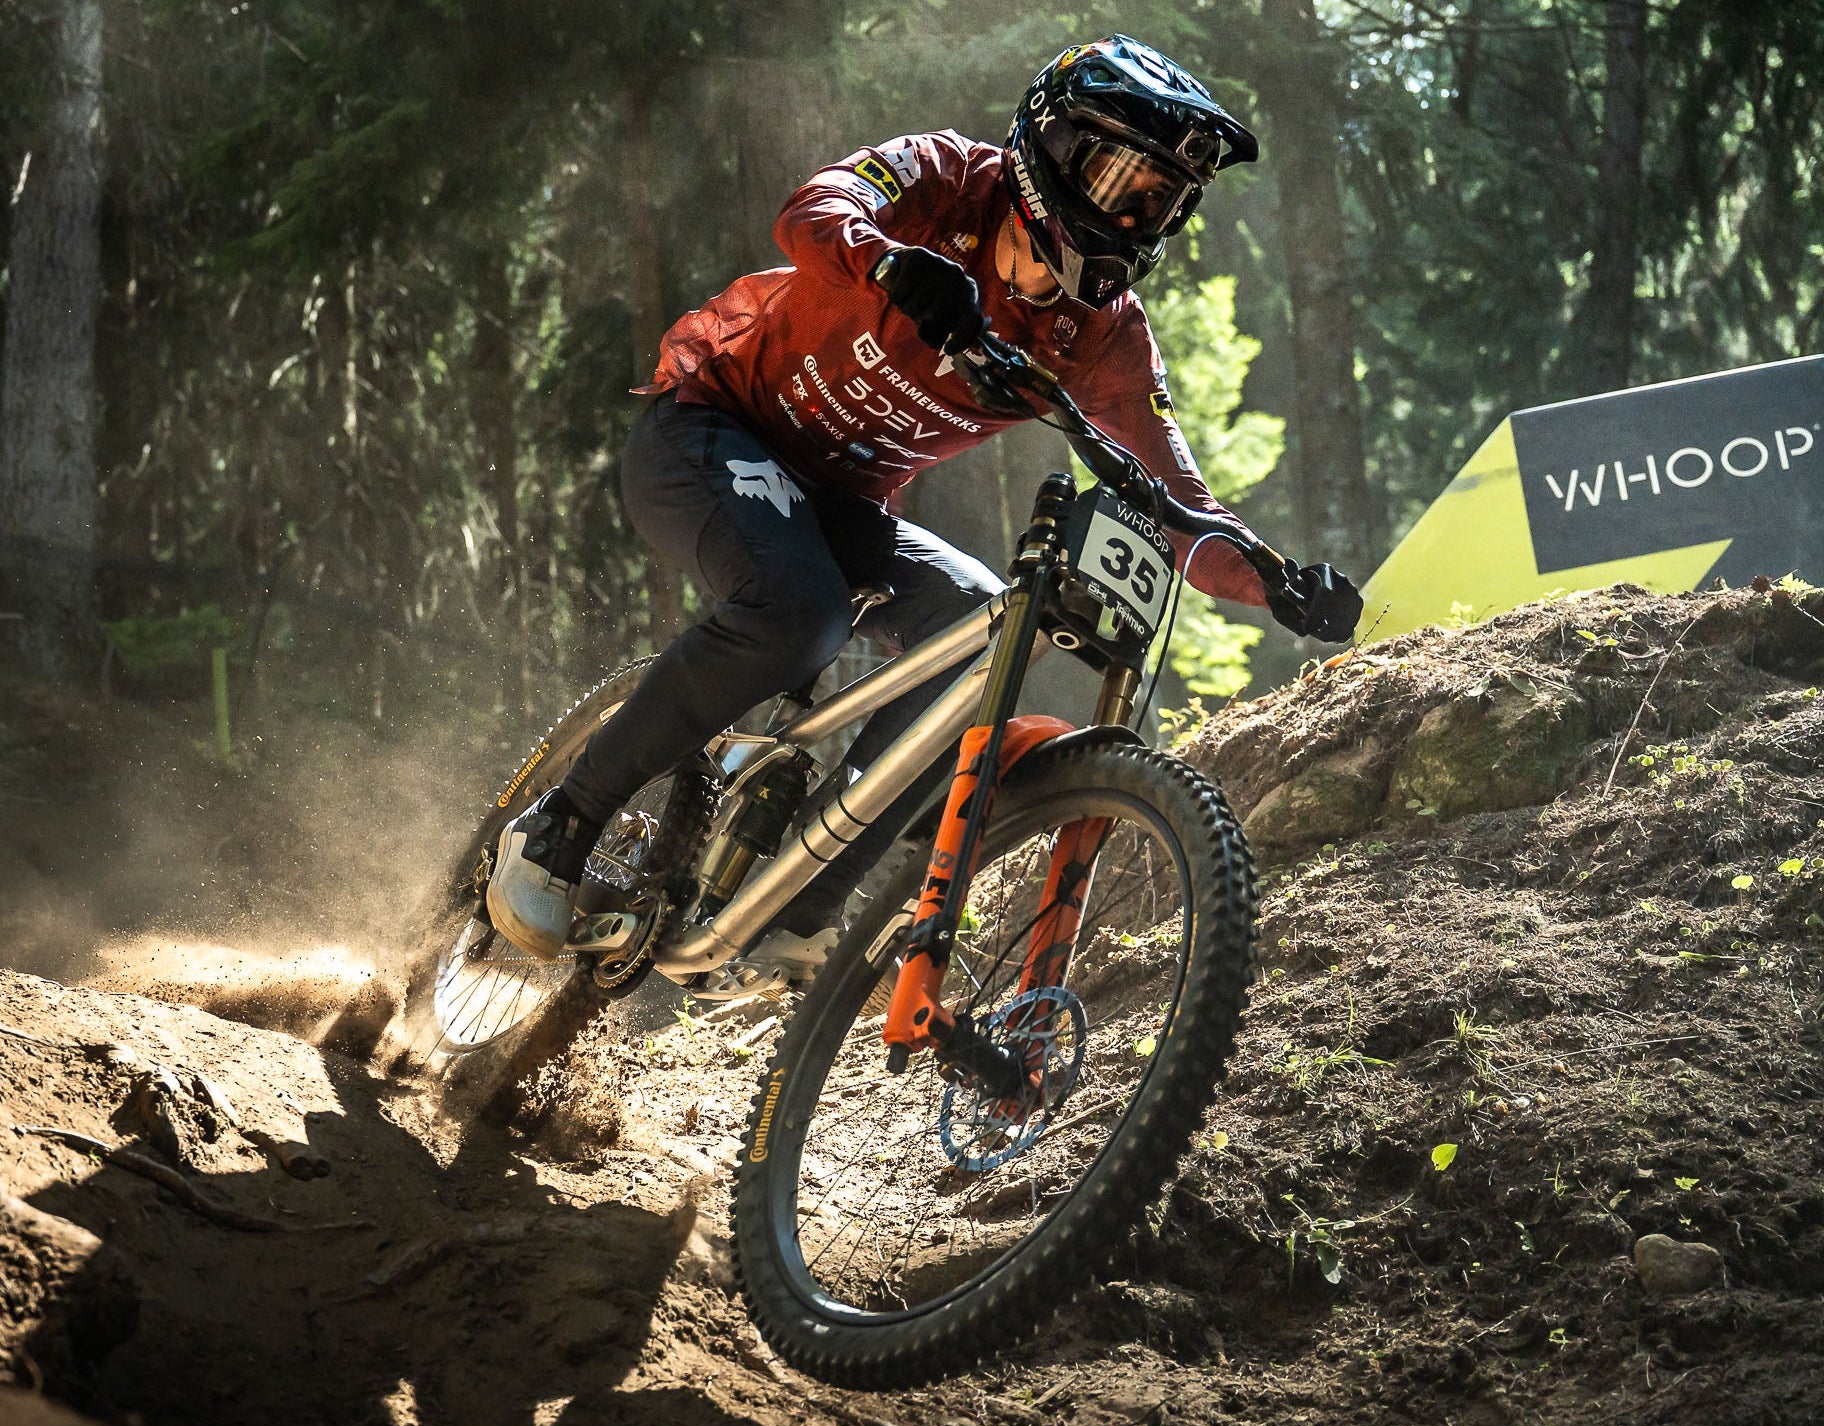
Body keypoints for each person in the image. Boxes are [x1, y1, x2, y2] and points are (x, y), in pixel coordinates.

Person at [487, 36, 1360, 997]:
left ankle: (799, 908)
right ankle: (560, 823)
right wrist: (892, 263)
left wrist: (1275, 581)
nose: (1130, 213)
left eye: (1158, 200)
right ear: (1051, 146)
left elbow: (1181, 503)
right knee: (797, 610)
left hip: (841, 504)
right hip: (713, 424)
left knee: (985, 641)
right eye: (1116, 176)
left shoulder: (1105, 339)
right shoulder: (950, 178)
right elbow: (812, 209)